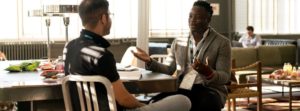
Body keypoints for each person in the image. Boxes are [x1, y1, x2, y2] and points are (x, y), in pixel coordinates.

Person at [63, 0, 191, 111]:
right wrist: (143, 106)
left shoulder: (69, 47)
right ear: (103, 18)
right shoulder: (102, 56)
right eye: (110, 15)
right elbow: (124, 100)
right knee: (183, 101)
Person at [132, 1, 231, 111]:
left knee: (204, 104)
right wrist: (150, 61)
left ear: (208, 20)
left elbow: (225, 76)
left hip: (209, 89)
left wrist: (209, 72)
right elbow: (168, 69)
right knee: (155, 102)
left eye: (197, 17)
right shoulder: (179, 42)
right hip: (183, 87)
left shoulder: (222, 43)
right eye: (190, 16)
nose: (192, 20)